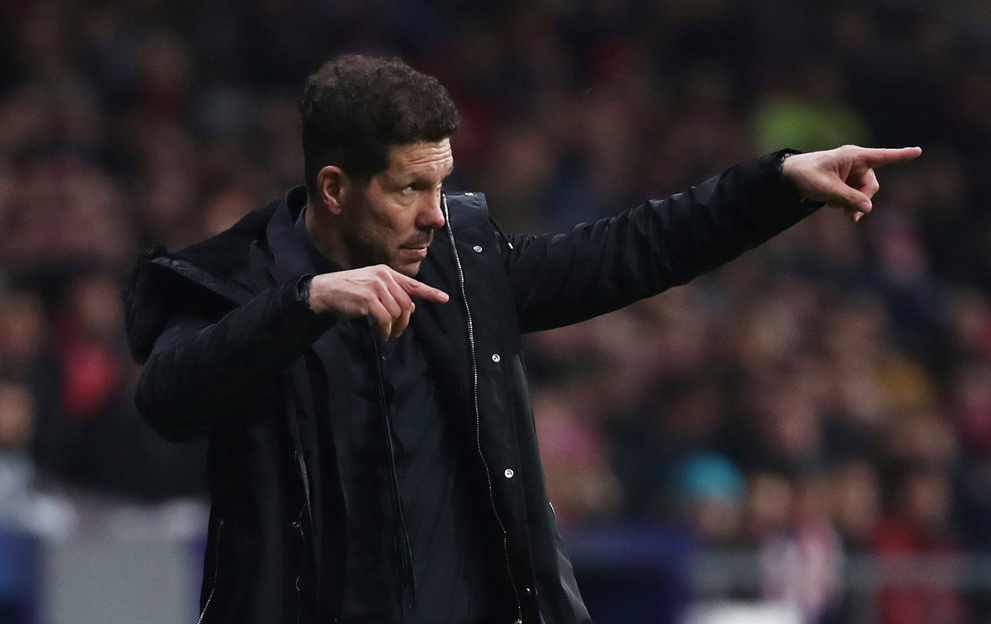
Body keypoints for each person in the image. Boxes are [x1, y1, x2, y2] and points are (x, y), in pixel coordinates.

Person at [122, 54, 920, 624]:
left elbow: (624, 252)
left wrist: (774, 186)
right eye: (408, 188)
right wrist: (302, 304)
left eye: (441, 184)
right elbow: (168, 399)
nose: (434, 213)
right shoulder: (229, 280)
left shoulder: (462, 264)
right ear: (333, 187)